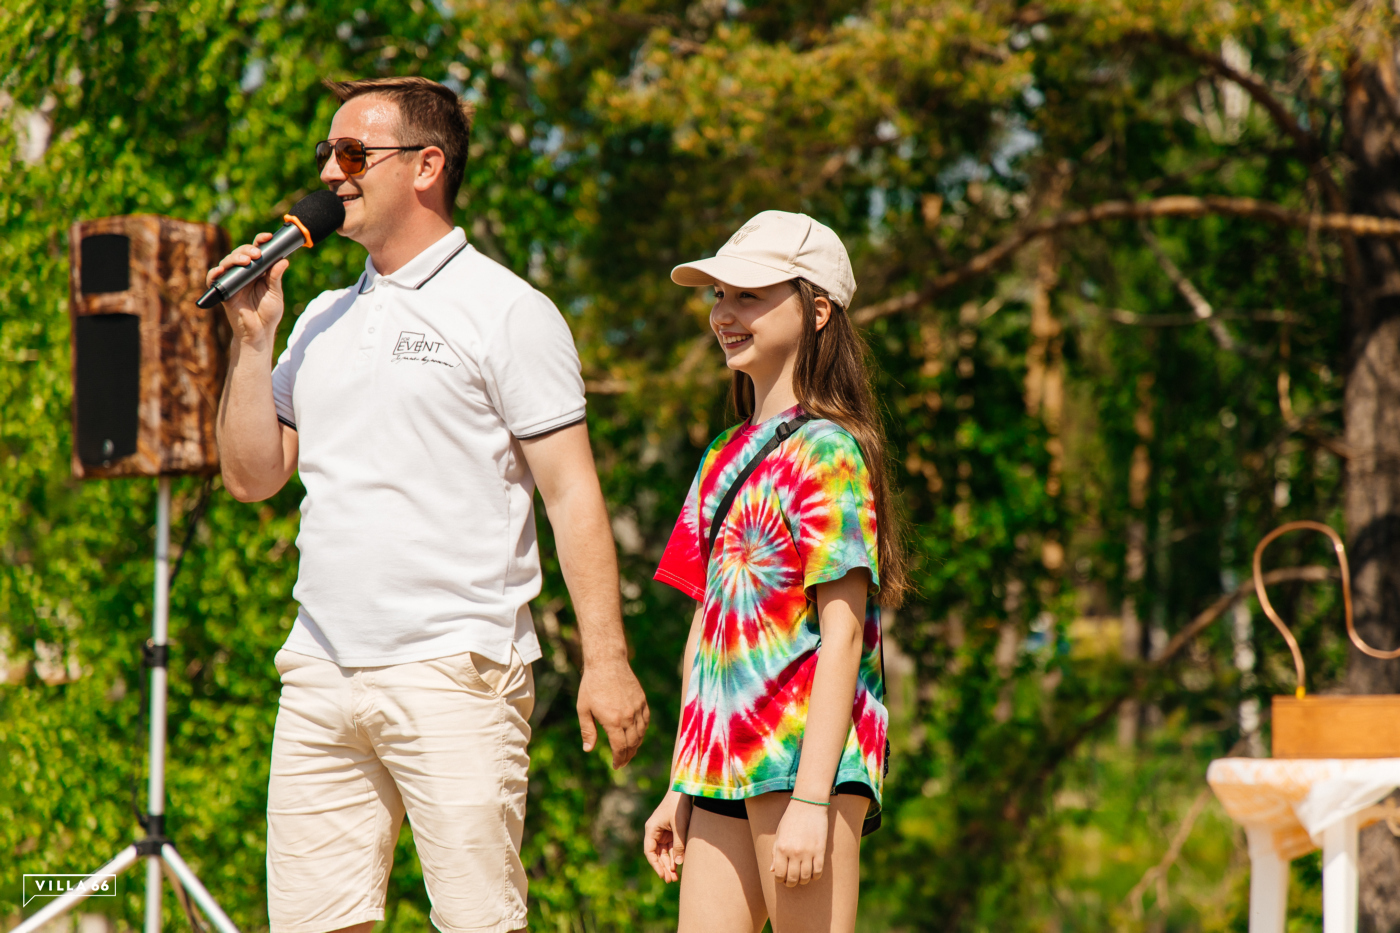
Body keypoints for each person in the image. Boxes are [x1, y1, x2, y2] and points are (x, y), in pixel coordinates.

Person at [209, 76, 649, 933]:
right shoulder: (319, 317)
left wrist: (607, 660)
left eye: (353, 154)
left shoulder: (507, 310)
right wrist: (253, 342)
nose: (330, 173)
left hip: (457, 667)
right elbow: (251, 477)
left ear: (426, 166)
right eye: (327, 154)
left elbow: (572, 493)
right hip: (320, 668)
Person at [642, 210, 909, 932]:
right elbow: (706, 631)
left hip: (799, 764)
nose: (724, 314)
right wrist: (679, 785)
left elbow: (843, 634)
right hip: (718, 768)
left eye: (749, 295)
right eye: (719, 295)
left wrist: (814, 801)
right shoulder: (721, 454)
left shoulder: (828, 451)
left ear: (817, 310)